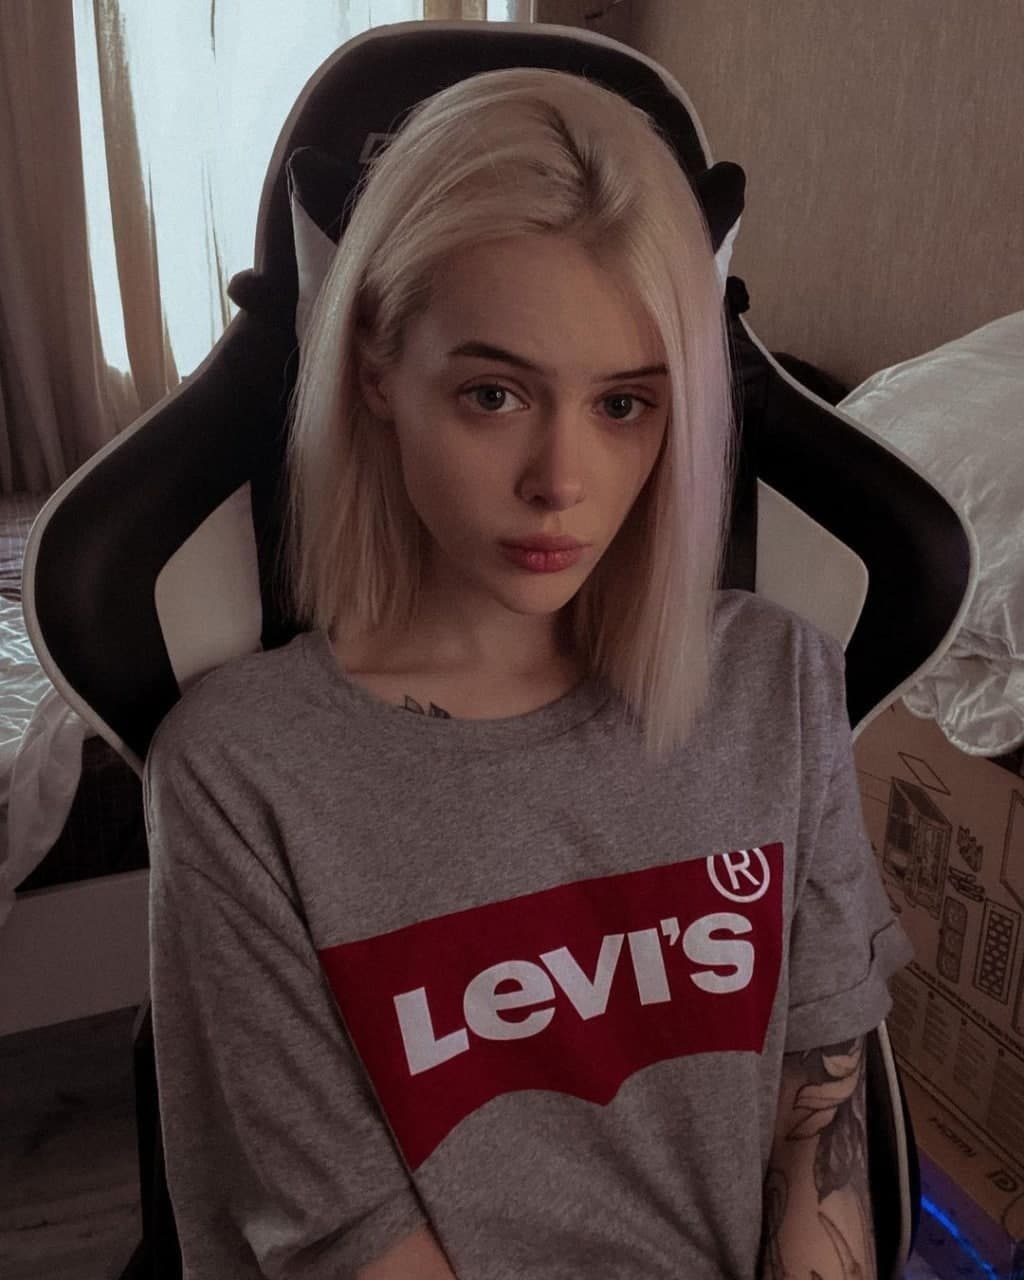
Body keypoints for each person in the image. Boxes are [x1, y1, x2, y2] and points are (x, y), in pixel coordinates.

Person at [144, 64, 912, 1280]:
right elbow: (348, 1238)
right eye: (494, 393)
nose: (561, 480)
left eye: (623, 405)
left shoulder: (776, 686)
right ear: (377, 368)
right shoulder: (244, 772)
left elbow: (818, 1138)